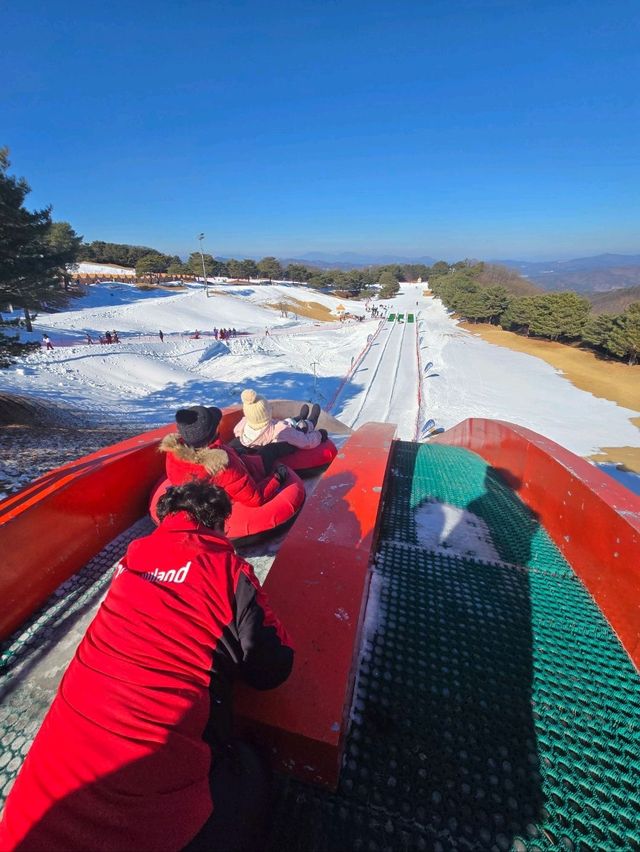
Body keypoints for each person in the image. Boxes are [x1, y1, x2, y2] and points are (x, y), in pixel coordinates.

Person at [0, 480, 293, 852]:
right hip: (155, 822)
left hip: (27, 822)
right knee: (254, 769)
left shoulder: (132, 557)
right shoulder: (227, 570)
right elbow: (273, 666)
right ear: (220, 524)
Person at [160, 405, 287, 506]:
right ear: (212, 433)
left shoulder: (173, 454)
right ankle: (293, 439)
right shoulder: (224, 466)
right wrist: (276, 478)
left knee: (239, 447)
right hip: (242, 481)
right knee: (270, 450)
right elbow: (255, 499)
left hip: (218, 482)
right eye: (216, 424)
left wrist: (235, 453)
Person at [233, 390, 328, 458]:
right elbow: (305, 442)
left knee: (286, 422)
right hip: (287, 439)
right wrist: (319, 435)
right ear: (266, 414)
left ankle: (298, 417)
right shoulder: (280, 430)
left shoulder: (243, 424)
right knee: (301, 428)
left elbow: (236, 431)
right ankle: (311, 421)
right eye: (268, 409)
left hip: (269, 429)